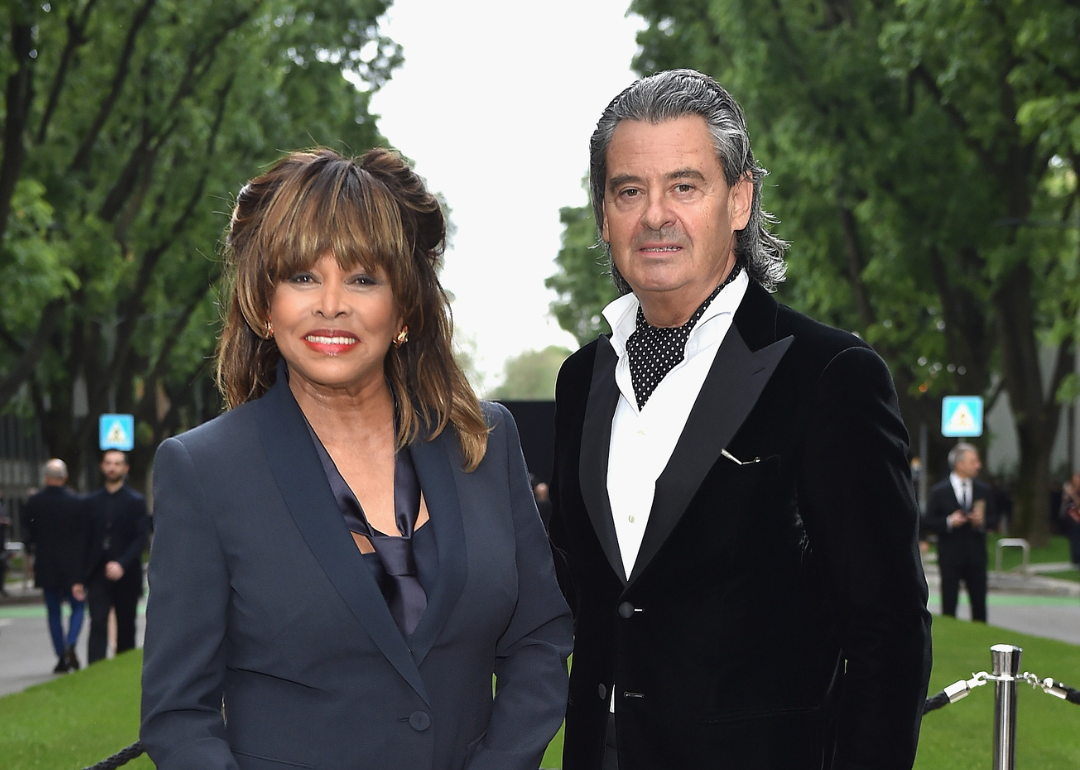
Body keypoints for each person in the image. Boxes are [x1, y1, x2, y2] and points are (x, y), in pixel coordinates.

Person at [140, 147, 573, 770]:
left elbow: (538, 638)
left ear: (403, 307)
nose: (331, 304)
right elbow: (179, 716)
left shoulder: (484, 441)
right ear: (265, 303)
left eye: (363, 278)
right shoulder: (203, 471)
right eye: (302, 276)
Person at [548, 70, 932, 770]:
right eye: (630, 190)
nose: (655, 215)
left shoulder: (829, 375)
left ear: (740, 199)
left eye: (684, 186)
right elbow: (583, 590)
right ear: (604, 215)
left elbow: (889, 634)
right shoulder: (581, 381)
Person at [81, 449, 149, 663]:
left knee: (126, 623)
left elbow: (140, 537)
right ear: (102, 466)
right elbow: (84, 539)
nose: (112, 467)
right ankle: (95, 670)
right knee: (97, 621)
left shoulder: (136, 502)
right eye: (109, 463)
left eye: (118, 463)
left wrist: (122, 563)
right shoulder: (91, 502)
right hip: (97, 572)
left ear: (125, 468)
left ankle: (124, 666)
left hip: (127, 572)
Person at [23, 459, 88, 672]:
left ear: (46, 477)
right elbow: (83, 538)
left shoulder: (34, 503)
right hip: (72, 565)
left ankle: (61, 655)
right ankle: (71, 642)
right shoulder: (76, 503)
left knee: (53, 612)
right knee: (78, 606)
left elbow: (28, 536)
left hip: (46, 564)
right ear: (65, 477)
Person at [923, 443, 996, 622]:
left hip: (976, 554)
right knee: (949, 600)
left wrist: (982, 521)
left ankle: (981, 637)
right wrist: (949, 521)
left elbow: (994, 518)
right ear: (960, 464)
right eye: (973, 461)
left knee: (979, 602)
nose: (978, 465)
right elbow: (927, 521)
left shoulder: (983, 490)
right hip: (950, 554)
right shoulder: (939, 491)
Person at [1060, 471, 1080, 567]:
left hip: (1078, 514)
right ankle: (1075, 558)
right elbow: (1065, 501)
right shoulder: (1068, 488)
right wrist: (1070, 492)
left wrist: (1074, 493)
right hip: (1071, 516)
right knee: (1074, 537)